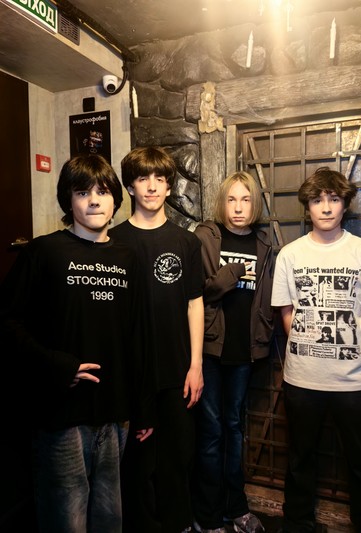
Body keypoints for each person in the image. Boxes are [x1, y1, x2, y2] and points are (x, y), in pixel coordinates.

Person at [0, 154, 154, 533]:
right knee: (67, 519)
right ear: (68, 201)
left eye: (102, 192)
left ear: (116, 199)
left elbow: (139, 334)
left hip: (115, 413)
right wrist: (56, 365)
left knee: (109, 518)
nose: (94, 201)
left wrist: (143, 406)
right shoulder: (43, 252)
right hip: (62, 414)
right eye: (83, 192)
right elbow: (7, 321)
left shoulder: (129, 258)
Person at [271, 166, 361, 533]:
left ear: (345, 204)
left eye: (334, 199)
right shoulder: (291, 254)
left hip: (353, 380)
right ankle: (297, 524)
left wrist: (356, 349)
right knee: (300, 458)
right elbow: (286, 311)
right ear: (307, 206)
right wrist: (308, 345)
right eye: (317, 200)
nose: (326, 207)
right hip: (302, 378)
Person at [109, 146, 204, 533]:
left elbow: (195, 303)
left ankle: (180, 523)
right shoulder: (113, 241)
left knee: (178, 457)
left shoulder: (186, 242)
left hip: (177, 370)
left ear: (169, 187)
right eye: (142, 178)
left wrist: (196, 365)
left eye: (160, 179)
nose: (151, 186)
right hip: (132, 375)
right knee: (136, 464)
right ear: (130, 186)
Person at [191, 171, 274, 533]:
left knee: (235, 428)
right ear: (222, 203)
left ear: (254, 204)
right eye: (231, 199)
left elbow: (268, 297)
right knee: (210, 432)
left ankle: (235, 508)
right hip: (210, 349)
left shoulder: (264, 244)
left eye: (245, 199)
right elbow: (196, 291)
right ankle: (208, 516)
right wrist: (230, 275)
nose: (238, 207)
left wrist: (264, 333)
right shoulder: (206, 237)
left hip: (244, 351)